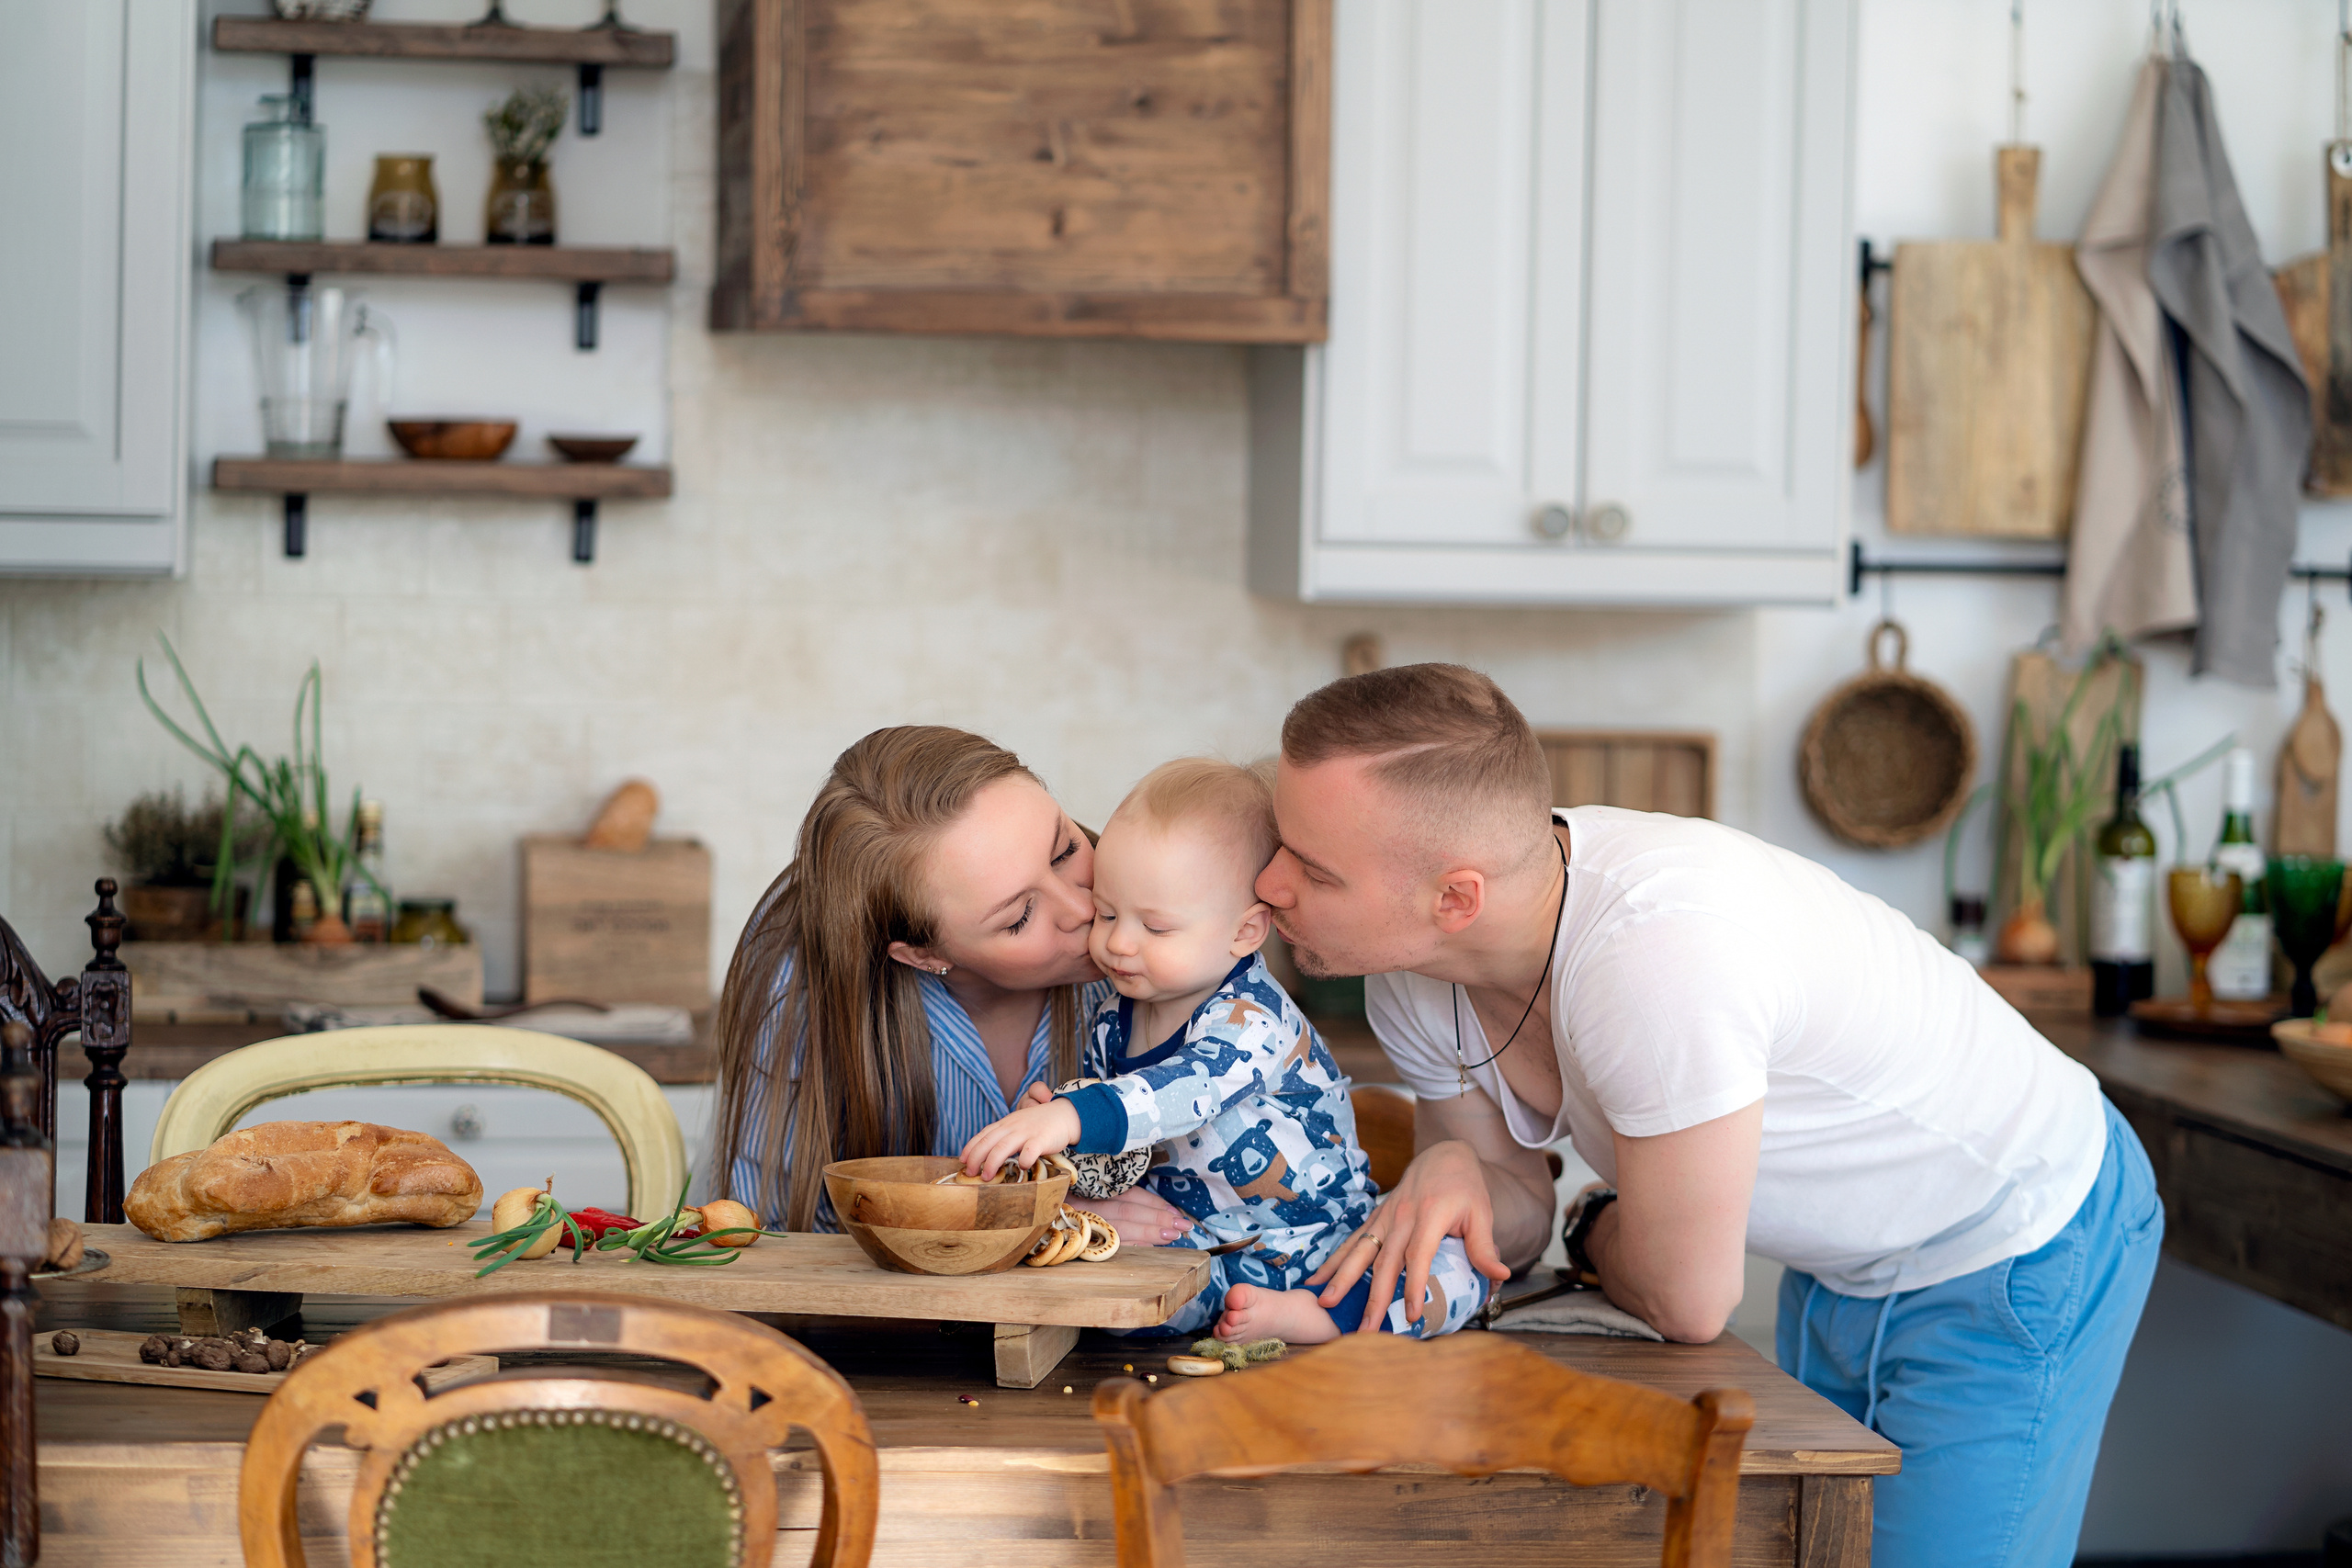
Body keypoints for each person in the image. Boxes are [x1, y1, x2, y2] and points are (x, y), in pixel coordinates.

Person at [1252, 663, 2162, 1568]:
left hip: (2017, 1237)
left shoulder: (1657, 957)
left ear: (1456, 897)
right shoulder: (1415, 972)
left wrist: (1595, 1221)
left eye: (1312, 869)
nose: (1269, 884)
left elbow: (1687, 1301)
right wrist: (1459, 1172)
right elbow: (1505, 1233)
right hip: (1841, 1261)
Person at [960, 757, 1487, 1341]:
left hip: (1320, 1241)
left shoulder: (1252, 1018)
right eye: (1107, 912)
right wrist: (1070, 1143)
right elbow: (1125, 1154)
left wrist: (1077, 1115)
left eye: (1155, 928)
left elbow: (1191, 1088)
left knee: (1452, 1270)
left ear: (1244, 932)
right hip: (1201, 1248)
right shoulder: (1113, 1017)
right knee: (1117, 1304)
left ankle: (1323, 1318)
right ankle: (1233, 1312)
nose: (1117, 941)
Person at [712, 725, 1181, 1249]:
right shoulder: (795, 985)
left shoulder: (1176, 925)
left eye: (1064, 849)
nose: (1083, 908)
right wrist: (1015, 1217)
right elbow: (761, 1242)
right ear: (924, 955)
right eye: (1020, 917)